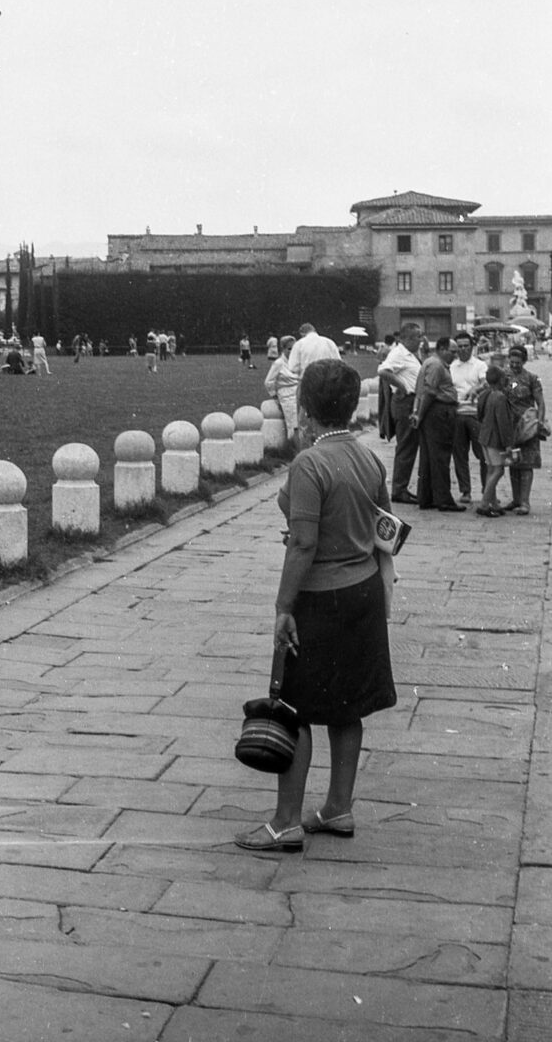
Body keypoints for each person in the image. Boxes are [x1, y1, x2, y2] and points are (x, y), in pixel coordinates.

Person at [234, 359, 396, 853]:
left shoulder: (309, 462)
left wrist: (284, 606)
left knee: (297, 707)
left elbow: (302, 544)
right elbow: (385, 527)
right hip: (364, 591)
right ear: (350, 406)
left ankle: (286, 821)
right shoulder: (368, 457)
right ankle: (338, 808)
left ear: (305, 406)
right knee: (348, 707)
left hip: (321, 596)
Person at [411, 337, 465, 511]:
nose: (456, 355)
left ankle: (427, 497)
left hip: (432, 412)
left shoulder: (430, 362)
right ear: (442, 349)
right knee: (440, 456)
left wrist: (418, 413)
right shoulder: (437, 366)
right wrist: (419, 414)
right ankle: (443, 499)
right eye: (453, 351)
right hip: (439, 412)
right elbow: (429, 392)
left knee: (429, 457)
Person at [377, 321, 423, 503]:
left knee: (409, 446)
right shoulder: (399, 353)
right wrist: (401, 386)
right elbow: (383, 371)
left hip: (411, 401)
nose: (421, 340)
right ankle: (399, 489)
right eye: (418, 336)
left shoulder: (410, 354)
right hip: (405, 402)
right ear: (408, 338)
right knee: (406, 447)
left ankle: (401, 487)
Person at [503, 344, 546, 515]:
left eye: (518, 362)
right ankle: (515, 499)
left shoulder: (532, 379)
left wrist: (539, 421)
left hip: (527, 426)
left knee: (526, 464)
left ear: (524, 361)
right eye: (512, 362)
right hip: (510, 426)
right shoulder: (504, 376)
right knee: (513, 462)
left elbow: (540, 402)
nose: (514, 365)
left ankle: (525, 501)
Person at [450, 331, 488, 502]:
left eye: (466, 346)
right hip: (457, 414)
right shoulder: (451, 366)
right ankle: (465, 490)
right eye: (460, 346)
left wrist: (476, 389)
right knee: (459, 454)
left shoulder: (480, 365)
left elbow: (486, 382)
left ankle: (487, 489)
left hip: (475, 414)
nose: (463, 349)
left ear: (472, 347)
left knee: (483, 454)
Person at [475, 365, 516, 517]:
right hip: (495, 439)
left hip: (484, 436)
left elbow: (479, 414)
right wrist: (508, 444)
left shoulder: (485, 394)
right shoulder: (500, 397)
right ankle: (485, 504)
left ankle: (493, 503)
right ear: (501, 379)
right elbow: (503, 423)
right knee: (498, 470)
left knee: (491, 470)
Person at [264, 335, 299, 445]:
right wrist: (275, 396)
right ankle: (292, 447)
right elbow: (268, 381)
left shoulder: (297, 362)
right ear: (283, 349)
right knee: (293, 424)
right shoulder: (279, 363)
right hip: (287, 396)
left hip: (299, 394)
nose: (292, 351)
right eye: (289, 349)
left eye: (294, 349)